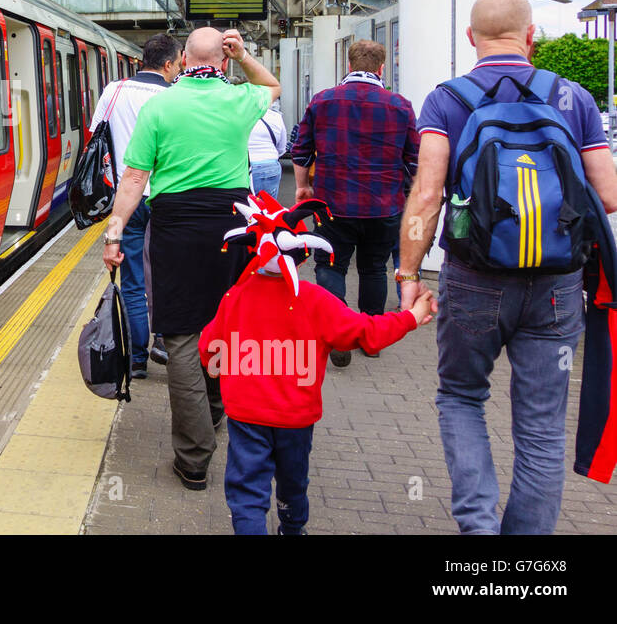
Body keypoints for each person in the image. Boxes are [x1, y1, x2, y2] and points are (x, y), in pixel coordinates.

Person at [399, 0, 617, 535]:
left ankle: (479, 530)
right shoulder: (574, 99)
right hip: (557, 285)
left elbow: (427, 195)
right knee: (542, 429)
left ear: (471, 39)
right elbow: (608, 195)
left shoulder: (448, 99)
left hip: (473, 279)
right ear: (530, 37)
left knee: (461, 396)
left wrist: (407, 274)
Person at [104, 27, 280, 491]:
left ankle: (195, 457)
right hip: (232, 226)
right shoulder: (241, 99)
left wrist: (113, 233)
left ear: (181, 59)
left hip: (176, 226)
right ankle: (217, 410)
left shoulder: (159, 106)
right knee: (226, 324)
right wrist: (243, 56)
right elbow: (271, 86)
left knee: (181, 335)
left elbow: (134, 179)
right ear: (222, 60)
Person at [201, 192, 435, 534]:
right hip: (296, 417)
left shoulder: (235, 297)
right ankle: (292, 527)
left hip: (246, 415)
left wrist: (224, 368)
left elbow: (209, 350)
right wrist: (410, 317)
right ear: (300, 254)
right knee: (293, 480)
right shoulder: (315, 301)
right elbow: (365, 332)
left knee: (247, 491)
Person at [291, 39, 418, 367]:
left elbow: (301, 150)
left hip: (333, 202)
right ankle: (371, 339)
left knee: (331, 265)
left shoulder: (323, 101)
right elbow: (414, 160)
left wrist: (303, 186)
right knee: (375, 267)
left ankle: (337, 334)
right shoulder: (400, 105)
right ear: (381, 68)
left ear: (348, 65)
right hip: (384, 205)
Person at [87, 33, 183, 378]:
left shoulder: (114, 90)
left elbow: (95, 132)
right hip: (166, 197)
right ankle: (163, 340)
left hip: (126, 198)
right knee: (167, 273)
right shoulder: (175, 97)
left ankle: (137, 359)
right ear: (170, 63)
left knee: (131, 279)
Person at [247, 100, 286, 200]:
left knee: (244, 208)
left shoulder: (235, 115)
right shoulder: (275, 117)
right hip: (269, 166)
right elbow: (281, 149)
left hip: (243, 167)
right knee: (268, 209)